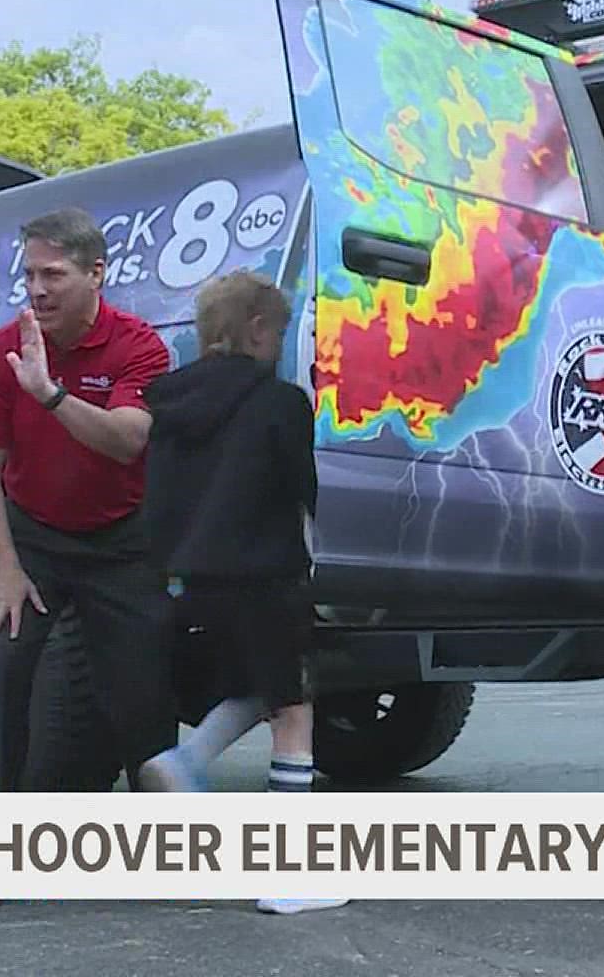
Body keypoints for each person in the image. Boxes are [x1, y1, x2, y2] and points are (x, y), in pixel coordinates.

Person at [135, 270, 347, 915]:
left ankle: (188, 758)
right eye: (281, 331)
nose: (283, 343)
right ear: (258, 331)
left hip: (189, 582)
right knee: (293, 708)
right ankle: (289, 874)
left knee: (257, 687)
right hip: (265, 576)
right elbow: (304, 489)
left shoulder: (164, 404)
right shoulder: (280, 402)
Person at [0, 207, 178, 818]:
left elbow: (129, 440)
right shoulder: (3, 351)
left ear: (96, 274)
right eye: (29, 275)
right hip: (34, 538)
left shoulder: (140, 347)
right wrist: (5, 567)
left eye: (52, 275)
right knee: (3, 674)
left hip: (122, 541)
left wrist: (51, 394)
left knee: (145, 697)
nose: (36, 290)